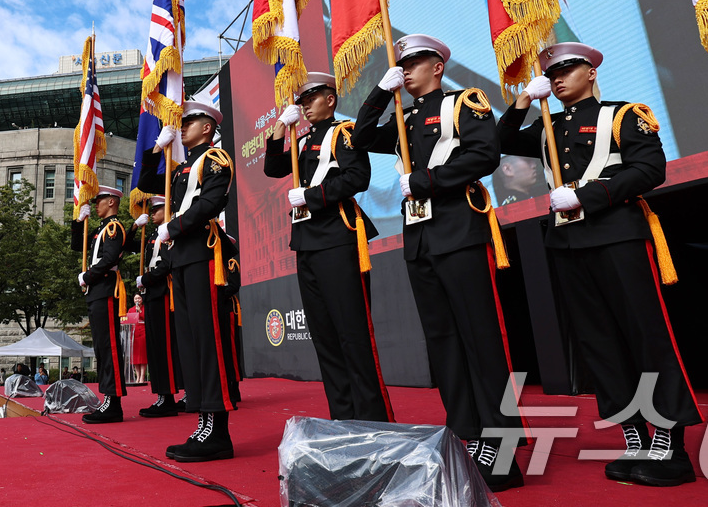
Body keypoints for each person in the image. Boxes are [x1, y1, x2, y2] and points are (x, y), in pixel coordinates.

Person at [501, 42, 701, 487]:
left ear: (590, 73)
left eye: (568, 69)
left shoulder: (625, 114)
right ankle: (633, 433)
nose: (557, 77)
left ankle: (670, 441)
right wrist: (522, 101)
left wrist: (587, 195)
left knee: (644, 335)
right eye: (552, 72)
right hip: (568, 243)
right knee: (599, 343)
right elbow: (499, 140)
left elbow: (650, 169)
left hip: (617, 236)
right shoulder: (548, 126)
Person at [352, 35, 523, 491]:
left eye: (413, 64)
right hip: (421, 241)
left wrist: (426, 180)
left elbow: (485, 154)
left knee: (481, 339)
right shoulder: (405, 118)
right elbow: (363, 136)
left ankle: (502, 446)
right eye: (401, 65)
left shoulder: (465, 102)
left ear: (437, 67)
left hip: (459, 232)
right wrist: (378, 94)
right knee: (444, 343)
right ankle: (468, 436)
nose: (405, 71)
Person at [267, 71, 393, 423]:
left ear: (331, 100)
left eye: (311, 99)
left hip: (338, 238)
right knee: (325, 339)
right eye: (302, 101)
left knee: (352, 335)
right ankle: (343, 420)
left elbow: (357, 178)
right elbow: (273, 168)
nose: (305, 106)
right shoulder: (303, 139)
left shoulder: (346, 133)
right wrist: (280, 127)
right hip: (307, 242)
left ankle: (373, 421)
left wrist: (310, 196)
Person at [138, 100, 240, 462]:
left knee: (208, 342)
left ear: (207, 128)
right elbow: (145, 183)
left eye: (189, 122)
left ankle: (217, 428)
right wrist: (154, 150)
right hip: (182, 259)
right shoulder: (180, 169)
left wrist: (174, 225)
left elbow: (211, 203)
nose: (181, 127)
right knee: (191, 344)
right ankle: (202, 419)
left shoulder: (215, 159)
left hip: (202, 255)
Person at [72, 185, 129, 422]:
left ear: (112, 203)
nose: (96, 205)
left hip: (106, 289)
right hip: (96, 292)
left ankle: (113, 401)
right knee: (101, 348)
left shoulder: (114, 228)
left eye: (100, 201)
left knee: (109, 347)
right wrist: (78, 221)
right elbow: (78, 246)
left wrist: (88, 276)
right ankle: (108, 398)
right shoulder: (100, 229)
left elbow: (109, 259)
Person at [134, 195, 184, 417]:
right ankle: (163, 394)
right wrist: (136, 226)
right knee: (155, 347)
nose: (153, 213)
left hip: (164, 290)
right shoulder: (153, 233)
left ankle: (168, 395)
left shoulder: (169, 231)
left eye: (157, 209)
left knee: (164, 346)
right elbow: (128, 245)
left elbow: (166, 264)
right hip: (152, 292)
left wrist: (146, 279)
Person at [127, 293, 148, 384]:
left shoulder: (144, 308)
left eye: (139, 298)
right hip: (134, 333)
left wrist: (139, 311)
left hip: (143, 332)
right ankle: (137, 376)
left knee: (143, 356)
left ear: (142, 299)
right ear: (133, 300)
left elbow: (147, 318)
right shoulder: (131, 310)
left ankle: (142, 377)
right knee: (135, 357)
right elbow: (128, 320)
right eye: (136, 298)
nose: (137, 300)